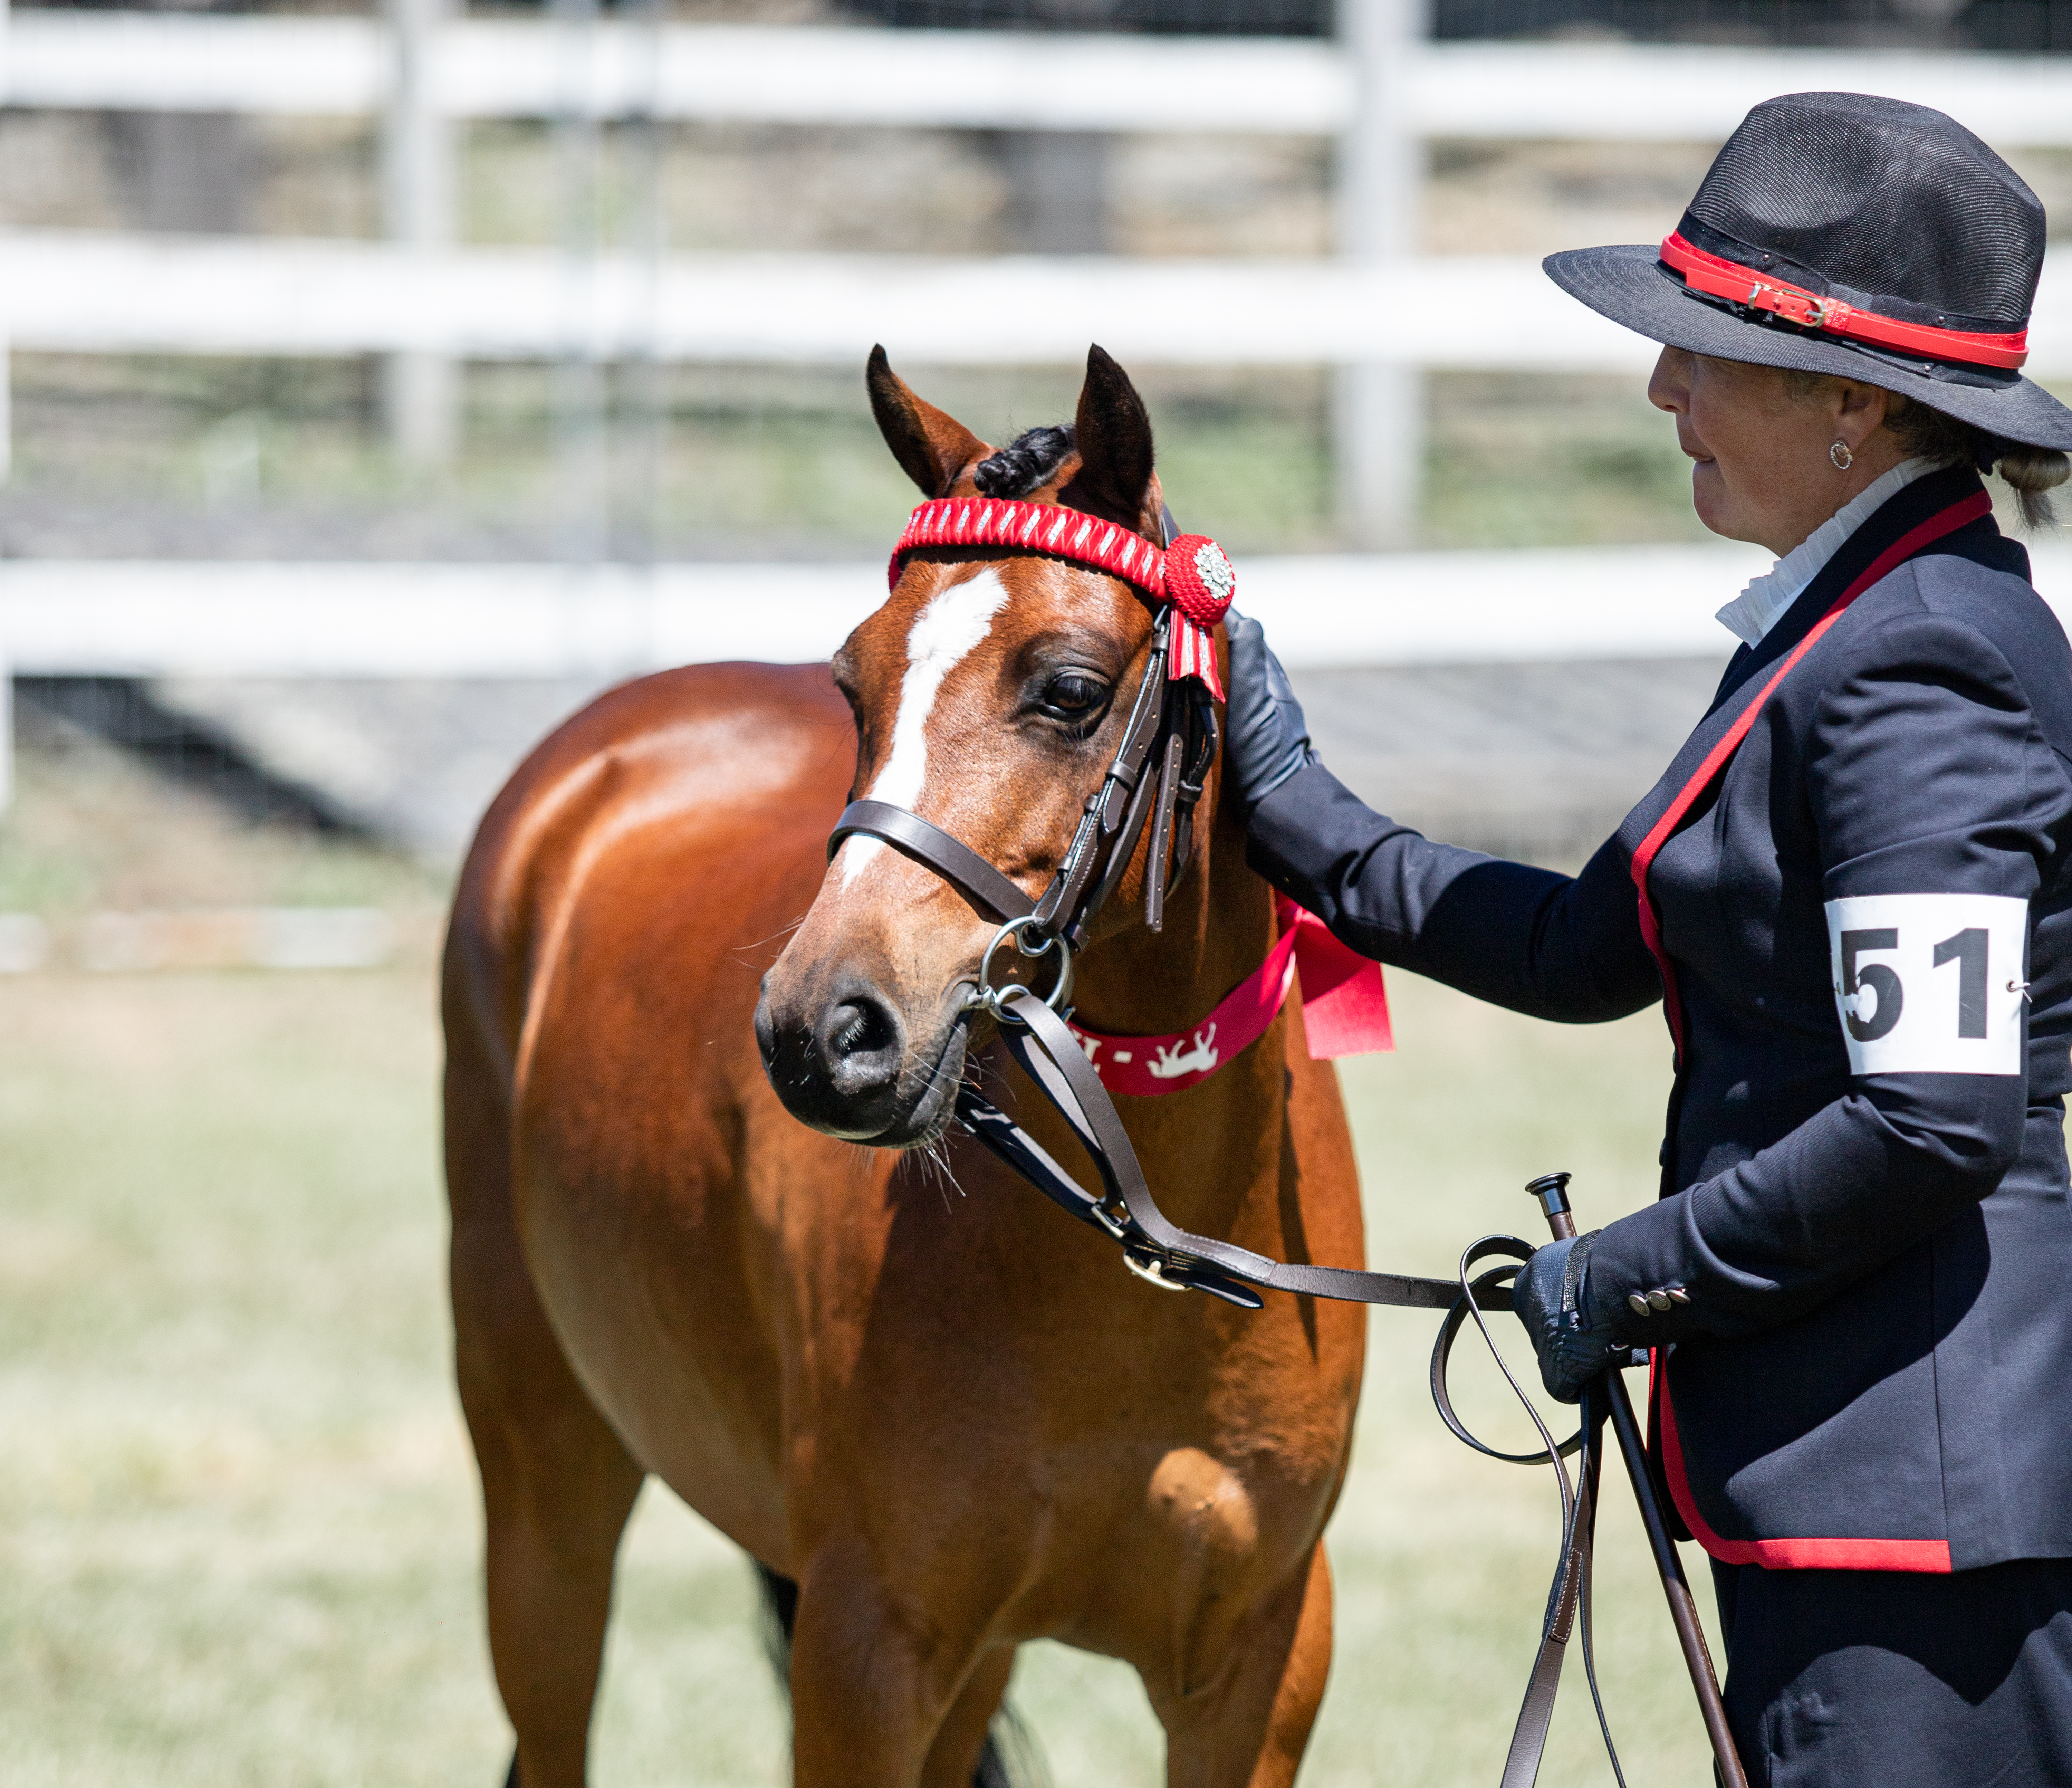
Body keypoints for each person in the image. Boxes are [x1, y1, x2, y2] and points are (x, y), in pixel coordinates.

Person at [1224, 92, 2072, 1784]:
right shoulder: (1842, 623)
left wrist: (1626, 1274)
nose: (1661, 388)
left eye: (1705, 352)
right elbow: (1587, 945)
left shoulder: (1919, 668)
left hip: (1910, 1518)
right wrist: (1281, 792)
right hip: (1844, 1480)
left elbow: (1935, 1114)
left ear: (1852, 403)